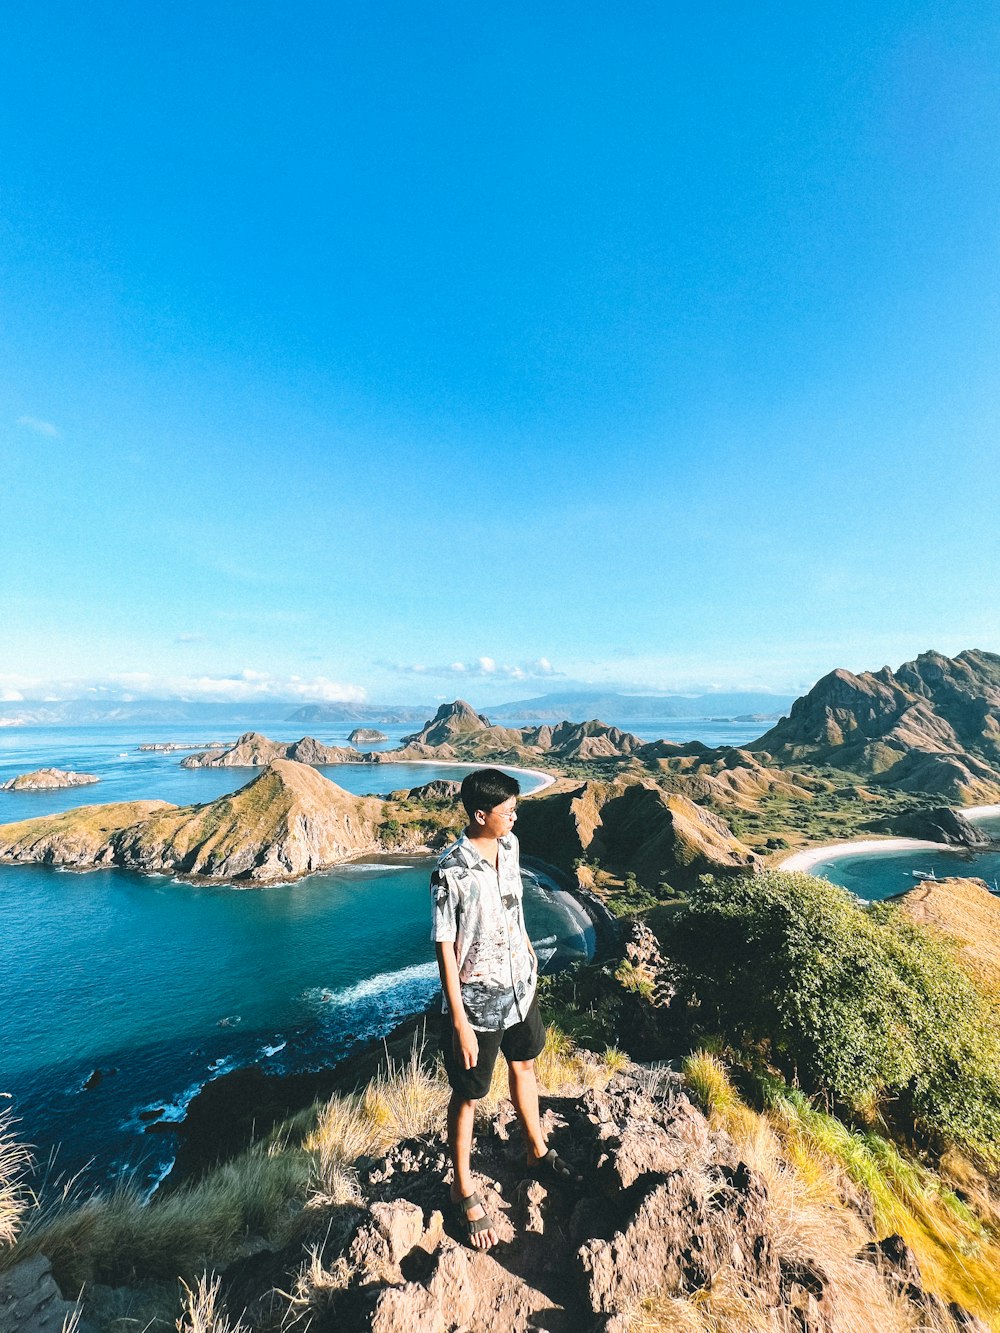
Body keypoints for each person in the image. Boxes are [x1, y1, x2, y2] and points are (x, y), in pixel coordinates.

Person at [431, 767, 580, 1251]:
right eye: (507, 811)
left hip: (521, 984)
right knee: (470, 1094)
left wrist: (529, 950)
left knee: (526, 1063)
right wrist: (459, 1022)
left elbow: (513, 907)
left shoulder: (511, 848)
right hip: (478, 1001)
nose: (514, 818)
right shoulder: (449, 871)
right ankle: (462, 1186)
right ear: (480, 814)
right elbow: (446, 950)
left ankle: (536, 1149)